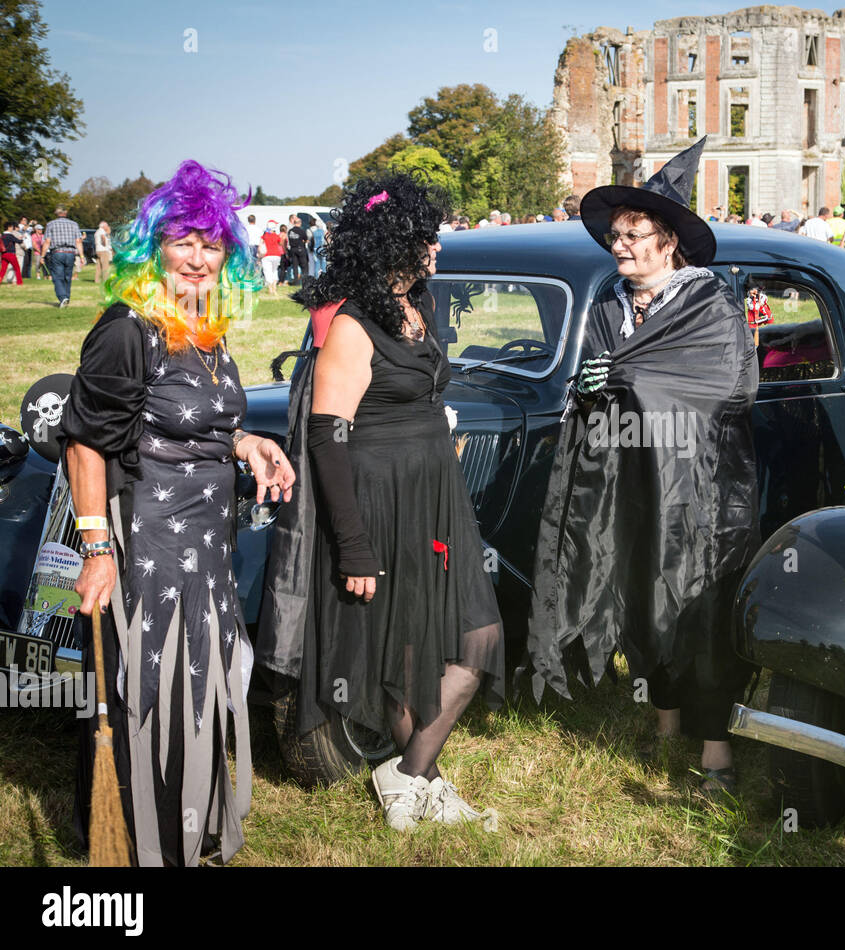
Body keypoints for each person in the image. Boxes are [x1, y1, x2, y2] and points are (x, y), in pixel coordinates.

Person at [62, 159, 294, 866]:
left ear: (229, 255)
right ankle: (137, 846)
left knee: (197, 690)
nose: (197, 258)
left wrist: (249, 441)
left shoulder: (203, 328)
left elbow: (189, 422)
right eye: (183, 240)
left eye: (212, 244)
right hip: (148, 547)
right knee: (148, 693)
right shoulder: (127, 329)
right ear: (153, 246)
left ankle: (186, 833)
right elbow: (84, 440)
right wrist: (98, 551)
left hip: (206, 552)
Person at [260, 175, 504, 832]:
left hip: (432, 494)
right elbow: (327, 437)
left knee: (475, 635)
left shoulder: (419, 306)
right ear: (397, 242)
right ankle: (416, 779)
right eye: (429, 236)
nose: (439, 246)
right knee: (402, 647)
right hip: (379, 498)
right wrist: (356, 546)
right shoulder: (353, 327)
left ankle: (410, 775)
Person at [527, 137, 758, 794]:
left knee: (699, 608)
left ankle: (716, 751)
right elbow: (594, 391)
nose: (620, 246)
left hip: (699, 490)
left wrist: (634, 382)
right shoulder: (608, 306)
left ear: (669, 243)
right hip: (631, 483)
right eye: (616, 235)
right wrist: (596, 386)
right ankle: (664, 725)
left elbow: (735, 392)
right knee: (645, 599)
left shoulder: (709, 305)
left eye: (635, 235)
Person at [43, 206, 84, 307]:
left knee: (57, 277)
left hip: (57, 252)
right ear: (66, 213)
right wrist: (82, 256)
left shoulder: (51, 224)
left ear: (57, 213)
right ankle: (67, 297)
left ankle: (62, 297)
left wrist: (42, 256)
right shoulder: (74, 224)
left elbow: (47, 241)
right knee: (67, 277)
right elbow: (78, 241)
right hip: (70, 253)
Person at [259, 221, 284, 294]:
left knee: (267, 271)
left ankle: (270, 289)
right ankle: (274, 288)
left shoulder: (264, 236)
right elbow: (280, 243)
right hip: (276, 255)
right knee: (274, 271)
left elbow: (260, 244)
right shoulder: (276, 236)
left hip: (267, 255)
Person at [286, 214, 309, 284]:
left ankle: (296, 281)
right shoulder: (301, 231)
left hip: (293, 249)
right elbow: (306, 240)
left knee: (295, 266)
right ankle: (304, 281)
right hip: (300, 249)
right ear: (300, 223)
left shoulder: (290, 231)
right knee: (304, 266)